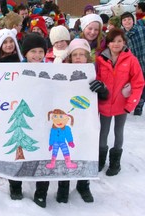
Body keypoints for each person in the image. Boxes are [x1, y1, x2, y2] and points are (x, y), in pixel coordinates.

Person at [94, 28, 144, 176]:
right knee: (103, 132)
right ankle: (100, 159)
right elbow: (95, 80)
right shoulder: (100, 60)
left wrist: (131, 104)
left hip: (122, 105)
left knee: (118, 131)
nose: (116, 44)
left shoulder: (131, 60)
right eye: (113, 41)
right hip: (105, 104)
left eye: (119, 41)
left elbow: (138, 83)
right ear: (108, 44)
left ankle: (115, 162)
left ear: (124, 43)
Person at [52, 38, 96, 204]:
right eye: (75, 54)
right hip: (66, 119)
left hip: (86, 120)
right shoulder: (62, 72)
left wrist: (102, 90)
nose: (78, 57)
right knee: (66, 152)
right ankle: (63, 185)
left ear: (87, 57)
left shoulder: (93, 72)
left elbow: (103, 96)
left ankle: (83, 184)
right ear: (70, 57)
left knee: (84, 150)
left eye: (82, 55)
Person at [15, 33, 50, 208]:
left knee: (43, 154)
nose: (37, 55)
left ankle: (41, 192)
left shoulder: (52, 70)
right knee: (19, 152)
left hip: (44, 120)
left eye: (40, 51)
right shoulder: (15, 71)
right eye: (32, 52)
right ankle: (15, 185)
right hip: (22, 119)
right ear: (25, 53)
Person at [121, 12, 145, 116]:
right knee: (136, 85)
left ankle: (140, 104)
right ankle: (136, 102)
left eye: (129, 19)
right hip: (133, 65)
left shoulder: (141, 29)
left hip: (144, 59)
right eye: (124, 20)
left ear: (133, 20)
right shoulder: (122, 35)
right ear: (122, 22)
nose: (127, 21)